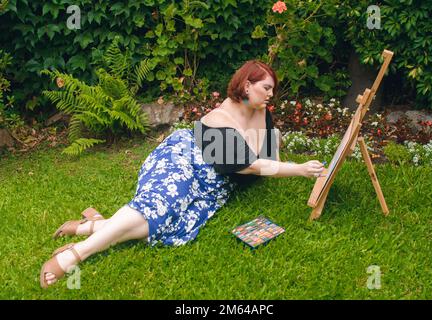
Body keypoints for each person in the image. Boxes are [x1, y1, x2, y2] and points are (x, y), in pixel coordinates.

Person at [40, 60, 325, 288]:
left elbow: (266, 156)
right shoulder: (219, 119)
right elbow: (251, 166)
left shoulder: (262, 111)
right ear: (247, 86)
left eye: (273, 89)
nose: (271, 94)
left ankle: (94, 226)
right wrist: (298, 169)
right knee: (160, 204)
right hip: (184, 158)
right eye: (267, 88)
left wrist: (275, 145)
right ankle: (76, 253)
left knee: (171, 228)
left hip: (213, 186)